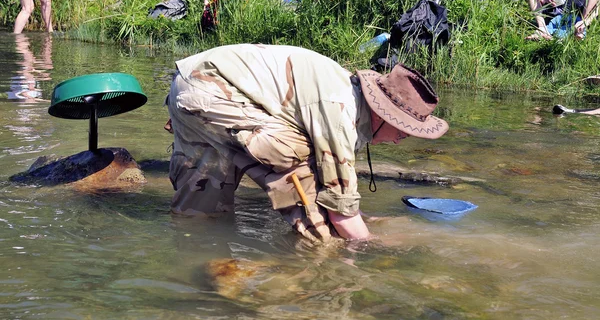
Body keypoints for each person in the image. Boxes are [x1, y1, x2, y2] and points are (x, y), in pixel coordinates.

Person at [165, 44, 449, 243]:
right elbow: (339, 208)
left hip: (188, 85)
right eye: (403, 131)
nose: (401, 140)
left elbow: (343, 198)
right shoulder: (341, 111)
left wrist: (360, 216)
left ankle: (196, 262)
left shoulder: (345, 95)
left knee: (200, 209)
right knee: (305, 172)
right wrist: (368, 243)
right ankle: (312, 262)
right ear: (383, 115)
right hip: (215, 90)